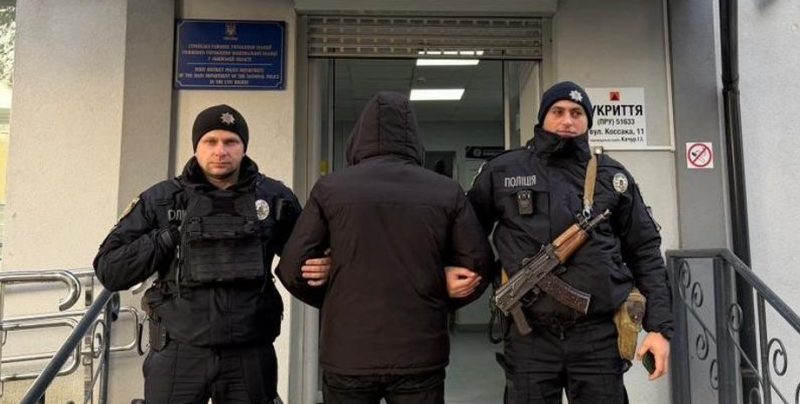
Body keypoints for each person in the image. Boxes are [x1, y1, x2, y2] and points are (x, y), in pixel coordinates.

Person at [94, 104, 327, 404]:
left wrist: (326, 264)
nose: (220, 151)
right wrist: (167, 237)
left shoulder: (273, 198)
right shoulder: (162, 200)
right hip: (179, 351)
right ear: (196, 147)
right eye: (210, 141)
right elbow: (109, 268)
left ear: (243, 147)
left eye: (231, 142)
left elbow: (304, 259)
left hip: (249, 352)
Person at [276, 91, 493, 404]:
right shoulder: (446, 191)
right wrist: (438, 291)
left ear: (359, 136)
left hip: (348, 352)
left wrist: (335, 291)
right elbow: (478, 265)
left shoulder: (330, 188)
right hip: (420, 352)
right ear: (413, 138)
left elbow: (292, 268)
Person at [468, 81, 672, 404]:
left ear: (588, 121)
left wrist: (659, 329)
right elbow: (468, 232)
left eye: (577, 113)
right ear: (543, 118)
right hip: (529, 334)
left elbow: (644, 251)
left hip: (597, 335)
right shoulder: (503, 171)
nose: (567, 120)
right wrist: (468, 274)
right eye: (558, 111)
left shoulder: (611, 176)